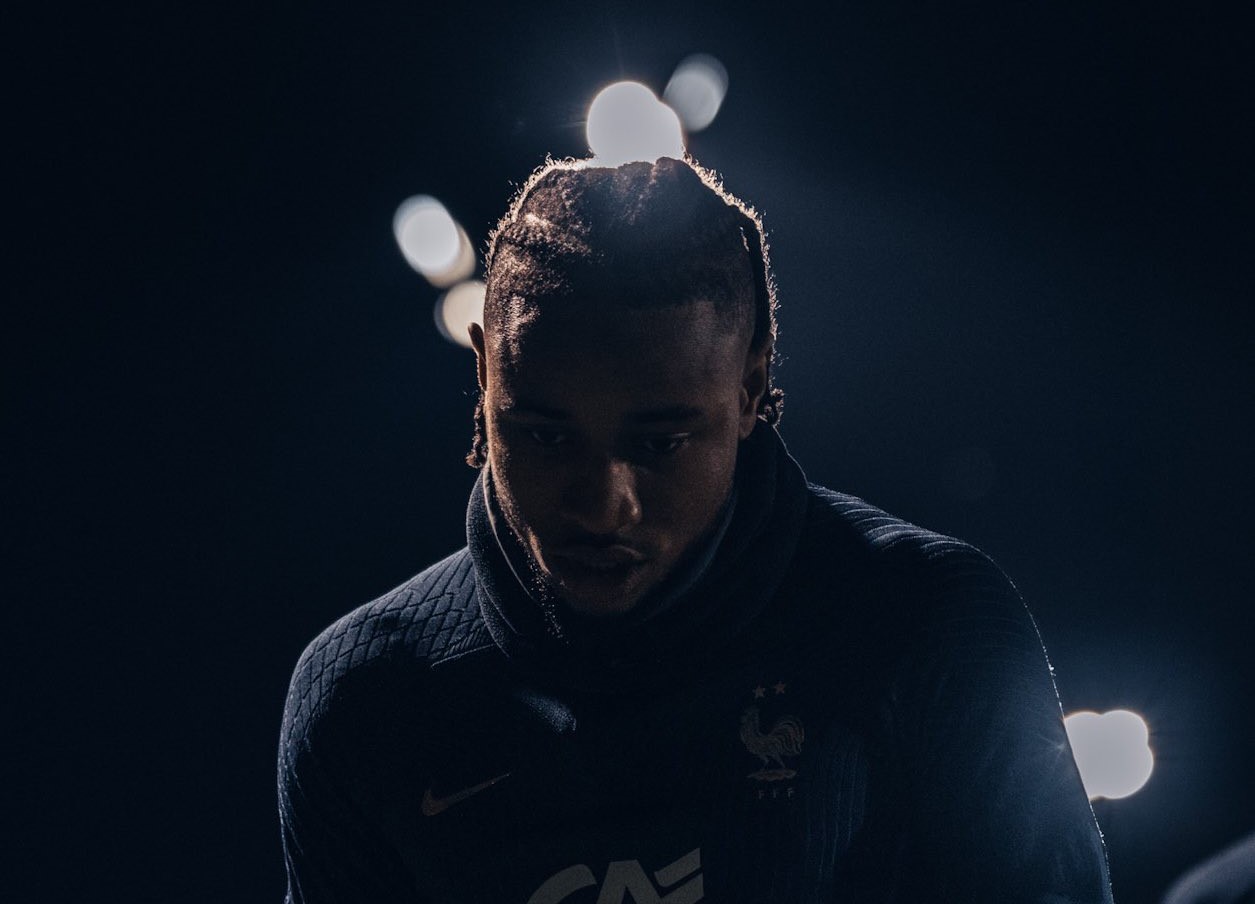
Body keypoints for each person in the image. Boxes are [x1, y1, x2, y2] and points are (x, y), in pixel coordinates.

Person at [278, 156, 1114, 902]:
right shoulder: (364, 697)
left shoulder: (927, 627)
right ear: (482, 376)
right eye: (544, 436)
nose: (602, 506)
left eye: (658, 443)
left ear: (751, 389)